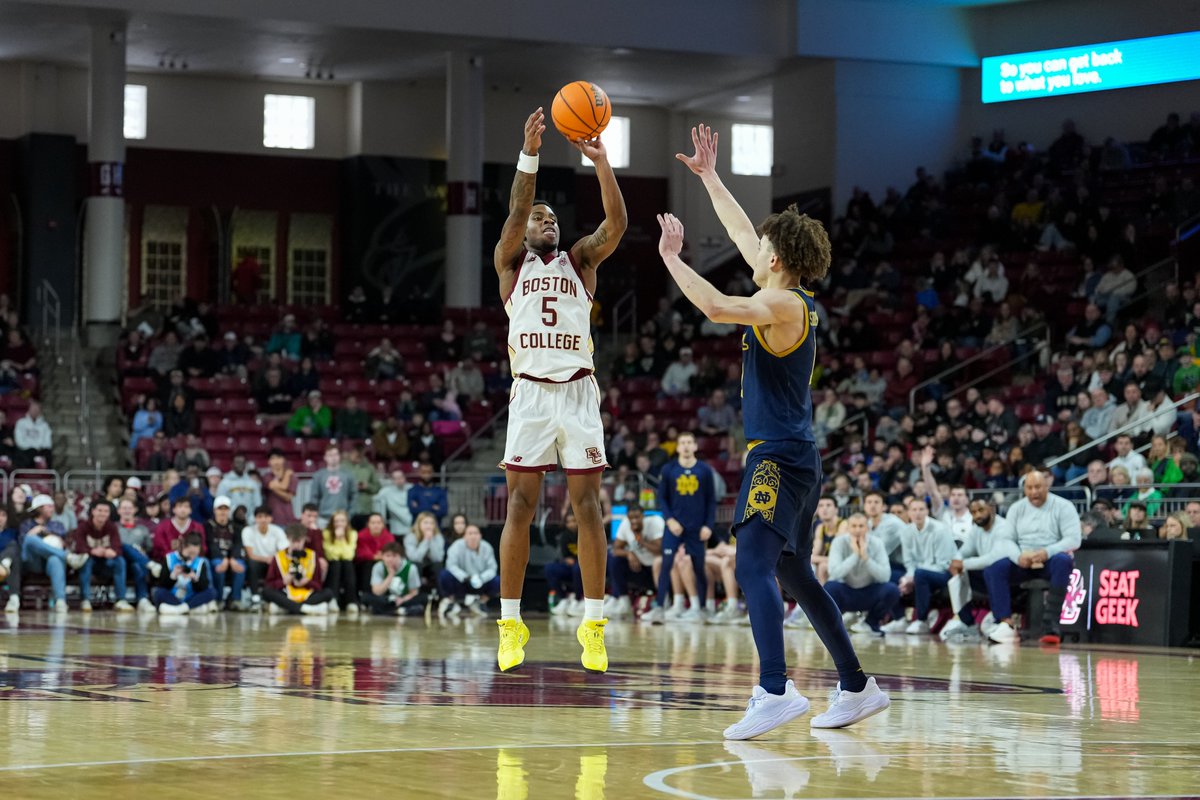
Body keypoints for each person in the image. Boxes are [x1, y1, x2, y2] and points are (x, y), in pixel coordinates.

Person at [664, 125, 886, 738]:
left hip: (779, 459)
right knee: (794, 574)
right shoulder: (786, 295)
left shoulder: (785, 305)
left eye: (759, 246)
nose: (748, 246)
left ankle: (773, 688)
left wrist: (672, 262)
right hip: (797, 456)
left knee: (753, 566)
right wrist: (709, 178)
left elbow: (713, 307)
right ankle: (857, 686)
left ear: (777, 259)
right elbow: (740, 229)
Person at [492, 108, 627, 673]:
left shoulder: (579, 259)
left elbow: (615, 225)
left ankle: (593, 625)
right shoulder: (508, 263)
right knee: (520, 506)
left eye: (552, 216)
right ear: (524, 230)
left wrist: (602, 164)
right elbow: (519, 205)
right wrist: (530, 152)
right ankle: (510, 622)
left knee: (588, 510)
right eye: (538, 217)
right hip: (529, 395)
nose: (546, 220)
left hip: (576, 391)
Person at [983, 470, 1081, 645]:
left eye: (1038, 487)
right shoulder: (1016, 508)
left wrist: (1047, 552)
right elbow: (1006, 539)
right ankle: (1005, 623)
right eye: (1029, 488)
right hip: (1024, 559)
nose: (1034, 492)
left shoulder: (1064, 506)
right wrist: (1019, 556)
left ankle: (1051, 624)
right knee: (995, 569)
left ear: (1047, 486)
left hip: (1050, 559)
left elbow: (1074, 539)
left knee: (1063, 561)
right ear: (1024, 489)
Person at [655, 431, 717, 621]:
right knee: (666, 564)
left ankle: (702, 608)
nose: (687, 446)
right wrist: (670, 520)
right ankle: (660, 606)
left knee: (698, 567)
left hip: (697, 528)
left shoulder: (705, 471)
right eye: (683, 442)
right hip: (674, 526)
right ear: (678, 447)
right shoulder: (668, 469)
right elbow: (661, 498)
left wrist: (708, 525)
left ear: (695, 446)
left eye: (690, 442)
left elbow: (711, 500)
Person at [941, 498, 1019, 640]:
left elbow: (992, 558)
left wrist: (963, 564)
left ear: (991, 509)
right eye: (973, 512)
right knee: (955, 573)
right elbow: (964, 551)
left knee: (991, 570)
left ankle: (1002, 623)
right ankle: (967, 622)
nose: (977, 515)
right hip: (987, 574)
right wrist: (956, 562)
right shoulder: (977, 529)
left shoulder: (1003, 527)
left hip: (1008, 577)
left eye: (981, 510)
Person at [881, 497, 957, 635]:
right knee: (886, 573)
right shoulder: (906, 532)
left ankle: (921, 620)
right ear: (909, 513)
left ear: (927, 511)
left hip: (945, 572)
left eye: (921, 509)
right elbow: (908, 562)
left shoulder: (939, 529)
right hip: (920, 573)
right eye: (914, 510)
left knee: (921, 574)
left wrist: (914, 576)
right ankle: (899, 619)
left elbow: (943, 563)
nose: (918, 513)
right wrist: (908, 577)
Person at [822, 513, 898, 636]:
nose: (857, 530)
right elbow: (834, 573)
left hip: (869, 592)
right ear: (848, 528)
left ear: (867, 528)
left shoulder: (877, 543)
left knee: (892, 590)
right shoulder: (839, 542)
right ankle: (834, 625)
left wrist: (865, 558)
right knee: (829, 587)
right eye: (854, 526)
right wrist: (855, 555)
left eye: (861, 526)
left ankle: (870, 623)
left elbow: (885, 576)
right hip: (846, 591)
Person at [72, 501, 132, 612]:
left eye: (106, 511)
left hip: (106, 562)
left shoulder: (112, 527)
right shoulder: (83, 526)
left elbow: (117, 548)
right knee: (86, 560)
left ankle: (121, 600)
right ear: (93, 511)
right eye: (100, 510)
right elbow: (79, 548)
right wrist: (92, 551)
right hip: (90, 561)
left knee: (120, 561)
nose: (102, 514)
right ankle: (85, 600)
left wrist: (110, 552)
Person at [262, 525, 335, 615]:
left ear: (305, 539)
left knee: (328, 593)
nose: (296, 545)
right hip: (285, 593)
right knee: (266, 592)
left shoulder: (312, 555)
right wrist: (283, 582)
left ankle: (287, 608)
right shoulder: (278, 557)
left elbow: (319, 585)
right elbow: (269, 584)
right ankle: (305, 608)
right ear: (288, 539)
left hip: (308, 594)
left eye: (299, 541)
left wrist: (307, 582)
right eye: (293, 541)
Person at [610, 505, 665, 617]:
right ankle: (623, 601)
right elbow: (616, 549)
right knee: (615, 560)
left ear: (643, 516)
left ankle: (663, 604)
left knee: (660, 562)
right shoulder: (625, 524)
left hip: (657, 570)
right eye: (631, 518)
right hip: (640, 569)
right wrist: (629, 553)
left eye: (637, 517)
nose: (634, 521)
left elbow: (660, 550)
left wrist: (642, 541)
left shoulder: (655, 522)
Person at [439, 524, 500, 618]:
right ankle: (451, 603)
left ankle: (480, 603)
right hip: (462, 581)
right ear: (465, 536)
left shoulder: (487, 547)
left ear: (480, 535)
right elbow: (450, 565)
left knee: (498, 581)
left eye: (476, 533)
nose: (473, 536)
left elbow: (492, 568)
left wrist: (481, 578)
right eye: (470, 533)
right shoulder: (456, 546)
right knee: (444, 575)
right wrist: (465, 577)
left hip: (480, 582)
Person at [153, 532, 218, 615]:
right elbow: (162, 584)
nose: (192, 557)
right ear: (183, 547)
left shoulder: (200, 562)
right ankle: (191, 609)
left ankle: (182, 608)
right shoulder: (169, 558)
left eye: (195, 554)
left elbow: (203, 587)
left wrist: (194, 579)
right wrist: (173, 576)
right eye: (190, 553)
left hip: (191, 597)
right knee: (157, 592)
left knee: (212, 592)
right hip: (173, 596)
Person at [240, 505, 288, 606]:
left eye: (266, 516)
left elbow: (284, 551)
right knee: (252, 564)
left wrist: (273, 560)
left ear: (271, 518)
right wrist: (266, 559)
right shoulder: (248, 531)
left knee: (282, 563)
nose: (263, 519)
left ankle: (280, 594)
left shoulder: (278, 531)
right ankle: (255, 595)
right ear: (255, 518)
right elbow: (251, 555)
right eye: (260, 516)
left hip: (273, 563)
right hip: (257, 562)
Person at [205, 496, 247, 610]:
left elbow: (238, 544)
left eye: (225, 509)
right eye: (220, 509)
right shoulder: (208, 526)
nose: (223, 512)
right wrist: (223, 559)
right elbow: (210, 544)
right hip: (216, 557)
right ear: (215, 510)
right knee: (219, 566)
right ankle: (218, 600)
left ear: (229, 511)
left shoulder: (235, 527)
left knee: (241, 567)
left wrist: (232, 558)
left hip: (231, 557)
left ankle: (235, 599)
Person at [365, 541, 426, 616]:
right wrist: (390, 575)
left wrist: (402, 599)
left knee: (423, 598)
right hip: (386, 598)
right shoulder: (378, 567)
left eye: (394, 556)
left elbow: (414, 592)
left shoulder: (411, 568)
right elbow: (377, 591)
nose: (391, 559)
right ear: (382, 557)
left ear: (401, 557)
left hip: (403, 599)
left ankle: (389, 611)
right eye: (388, 556)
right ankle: (400, 611)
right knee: (367, 597)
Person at [544, 510, 583, 615]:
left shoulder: (585, 534)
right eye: (568, 522)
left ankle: (577, 600)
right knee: (549, 568)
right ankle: (563, 599)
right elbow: (565, 556)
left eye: (574, 521)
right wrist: (566, 560)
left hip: (583, 567)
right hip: (571, 566)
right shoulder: (564, 536)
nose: (571, 524)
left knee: (577, 567)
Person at [309, 444, 356, 527]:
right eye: (330, 455)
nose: (333, 458)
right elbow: (314, 498)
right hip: (323, 518)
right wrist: (314, 516)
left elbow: (353, 496)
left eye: (335, 455)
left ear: (339, 456)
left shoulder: (348, 475)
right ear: (325, 457)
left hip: (343, 518)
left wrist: (349, 515)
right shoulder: (318, 475)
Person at [322, 510, 359, 615]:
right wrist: (337, 538)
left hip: (346, 563)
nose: (339, 524)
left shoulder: (352, 534)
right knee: (336, 564)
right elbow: (331, 555)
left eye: (342, 521)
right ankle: (333, 599)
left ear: (347, 522)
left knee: (347, 564)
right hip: (332, 563)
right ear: (332, 523)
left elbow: (349, 555)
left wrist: (342, 538)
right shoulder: (326, 533)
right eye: (336, 521)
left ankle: (351, 601)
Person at [354, 512, 395, 594]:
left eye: (379, 523)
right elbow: (361, 552)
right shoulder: (361, 535)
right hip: (364, 564)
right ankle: (366, 593)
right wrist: (373, 556)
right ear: (368, 524)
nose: (376, 525)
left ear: (383, 525)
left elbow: (391, 551)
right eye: (373, 523)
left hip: (383, 561)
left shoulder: (389, 536)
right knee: (369, 564)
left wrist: (381, 556)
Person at [403, 511, 446, 587]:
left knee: (438, 566)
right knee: (416, 565)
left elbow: (438, 558)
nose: (429, 526)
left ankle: (441, 595)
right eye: (425, 523)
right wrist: (426, 540)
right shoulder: (410, 537)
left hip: (430, 565)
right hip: (416, 565)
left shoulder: (438, 537)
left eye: (431, 523)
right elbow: (415, 558)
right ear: (419, 524)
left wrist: (430, 540)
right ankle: (415, 593)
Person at [344, 445, 380, 528]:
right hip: (347, 508)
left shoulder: (369, 468)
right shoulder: (343, 467)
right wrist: (352, 487)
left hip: (365, 508)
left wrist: (367, 486)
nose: (356, 457)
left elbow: (377, 487)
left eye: (358, 455)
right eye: (354, 454)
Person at [261, 449, 298, 525]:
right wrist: (287, 475)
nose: (276, 461)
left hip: (288, 518)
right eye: (273, 458)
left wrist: (274, 488)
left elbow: (288, 497)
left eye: (279, 458)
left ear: (284, 460)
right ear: (269, 462)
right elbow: (284, 487)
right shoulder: (266, 476)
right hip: (271, 519)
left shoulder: (293, 477)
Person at [13, 400, 53, 468]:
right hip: (25, 451)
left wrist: (38, 448)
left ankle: (45, 474)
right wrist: (33, 447)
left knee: (47, 453)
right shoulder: (21, 423)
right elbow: (19, 441)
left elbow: (48, 442)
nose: (35, 411)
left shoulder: (45, 425)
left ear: (40, 411)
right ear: (29, 409)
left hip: (40, 450)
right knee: (28, 453)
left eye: (37, 409)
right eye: (34, 409)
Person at [407, 462, 449, 526]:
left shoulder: (440, 491)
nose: (426, 475)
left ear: (432, 473)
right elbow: (412, 510)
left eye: (429, 472)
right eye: (423, 472)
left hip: (436, 528)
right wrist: (433, 507)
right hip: (417, 529)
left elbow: (443, 511)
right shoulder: (412, 491)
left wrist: (420, 506)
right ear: (419, 473)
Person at [374, 469, 413, 534]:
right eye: (396, 478)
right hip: (395, 528)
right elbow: (376, 500)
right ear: (392, 480)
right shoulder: (386, 491)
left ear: (404, 478)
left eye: (400, 477)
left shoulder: (412, 489)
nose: (399, 480)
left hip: (411, 525)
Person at [0, 506, 21, 613]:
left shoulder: (12, 532)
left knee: (14, 549)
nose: (0, 518)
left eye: (3, 515)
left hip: (8, 563)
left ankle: (14, 599)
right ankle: (14, 597)